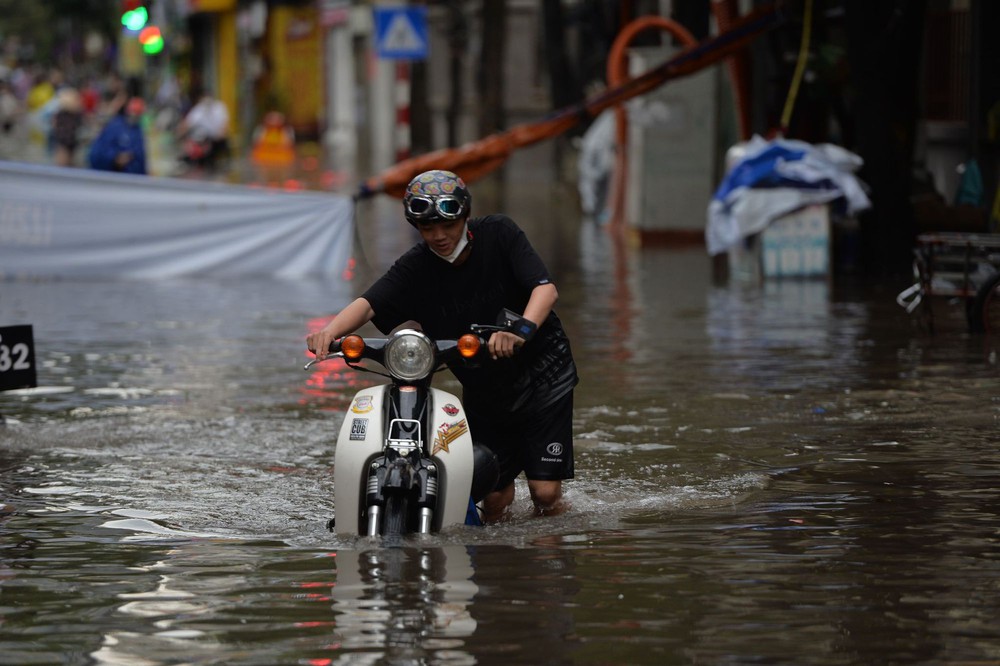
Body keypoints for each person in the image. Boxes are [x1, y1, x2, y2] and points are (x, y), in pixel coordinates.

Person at [306, 170, 579, 523]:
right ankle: (505, 565)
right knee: (494, 496)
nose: (439, 236)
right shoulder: (416, 267)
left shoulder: (500, 234)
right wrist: (329, 332)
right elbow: (371, 303)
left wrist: (520, 332)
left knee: (544, 492)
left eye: (446, 226)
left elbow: (545, 290)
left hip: (543, 375)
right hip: (484, 386)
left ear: (464, 216)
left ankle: (553, 547)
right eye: (427, 228)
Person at [87, 97, 147, 175]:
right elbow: (97, 152)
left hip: (130, 177)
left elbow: (140, 157)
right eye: (133, 112)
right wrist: (114, 157)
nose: (134, 116)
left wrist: (129, 157)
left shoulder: (139, 131)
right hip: (108, 174)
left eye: (137, 113)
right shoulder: (115, 125)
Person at [176, 86, 230, 167]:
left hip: (217, 140)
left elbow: (225, 125)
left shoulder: (219, 107)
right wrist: (179, 133)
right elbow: (187, 123)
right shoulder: (199, 109)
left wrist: (220, 133)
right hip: (204, 138)